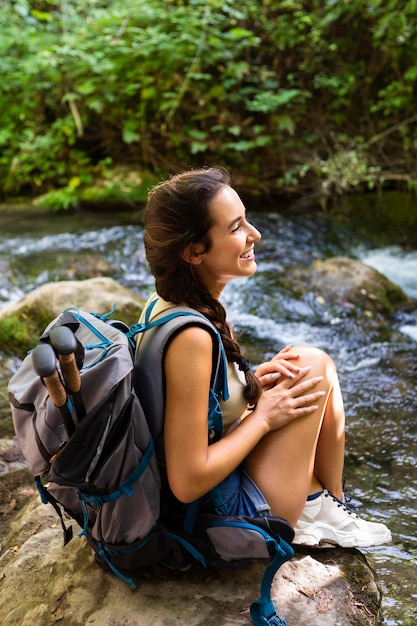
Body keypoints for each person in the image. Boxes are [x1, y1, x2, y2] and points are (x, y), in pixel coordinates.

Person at [140, 166, 391, 548]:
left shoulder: (164, 305)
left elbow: (198, 410)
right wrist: (263, 418)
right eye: (236, 227)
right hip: (225, 516)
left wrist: (249, 385)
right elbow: (187, 481)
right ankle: (320, 506)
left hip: (213, 500)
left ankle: (325, 505)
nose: (254, 234)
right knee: (315, 369)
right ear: (194, 251)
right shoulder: (191, 337)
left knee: (306, 362)